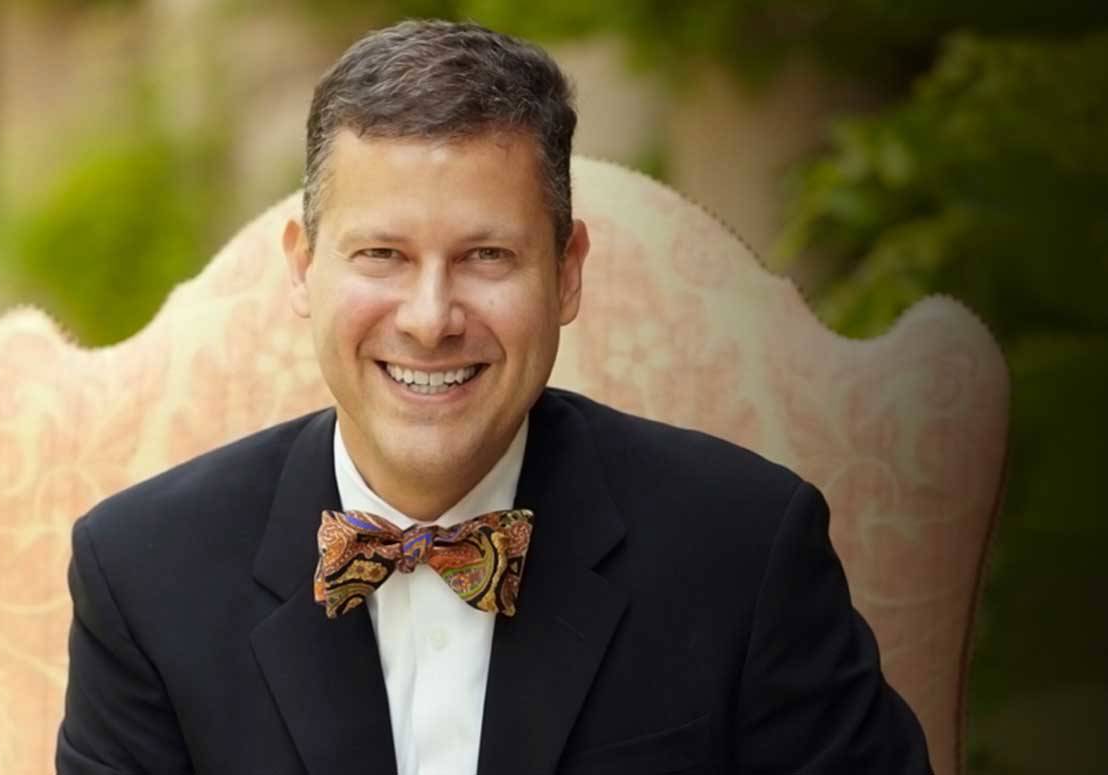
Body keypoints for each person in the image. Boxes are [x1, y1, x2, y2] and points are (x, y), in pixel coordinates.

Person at [55, 19, 929, 775]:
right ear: (302, 268)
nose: (431, 319)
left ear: (567, 273)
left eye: (487, 256)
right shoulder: (141, 575)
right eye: (383, 255)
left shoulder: (746, 549)